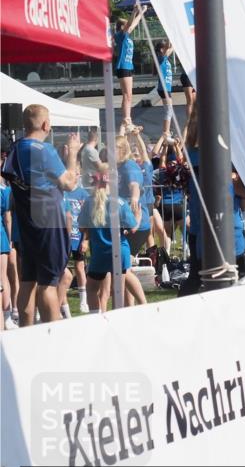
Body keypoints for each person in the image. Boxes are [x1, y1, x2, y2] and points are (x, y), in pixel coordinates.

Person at [1, 105, 81, 324]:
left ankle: (27, 331)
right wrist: (73, 153)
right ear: (46, 124)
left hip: (27, 225)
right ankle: (50, 334)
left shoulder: (15, 148)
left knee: (28, 281)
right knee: (48, 283)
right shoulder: (43, 150)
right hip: (49, 223)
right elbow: (69, 183)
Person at [79, 172, 145, 312]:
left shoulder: (89, 202)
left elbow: (81, 227)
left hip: (99, 252)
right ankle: (119, 318)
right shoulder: (120, 202)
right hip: (119, 251)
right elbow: (132, 228)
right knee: (118, 291)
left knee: (91, 288)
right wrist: (138, 217)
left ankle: (95, 317)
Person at [114, 3, 147, 127]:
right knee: (127, 95)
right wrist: (134, 11)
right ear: (122, 27)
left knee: (128, 95)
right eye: (126, 25)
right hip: (123, 66)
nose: (129, 26)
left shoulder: (126, 36)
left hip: (127, 67)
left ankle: (126, 120)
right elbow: (130, 24)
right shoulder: (120, 35)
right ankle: (127, 120)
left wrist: (142, 12)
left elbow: (133, 24)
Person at [63, 175, 90, 314]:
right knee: (62, 269)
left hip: (78, 237)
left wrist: (85, 240)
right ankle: (62, 301)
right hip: (64, 238)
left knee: (80, 267)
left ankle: (83, 301)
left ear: (79, 175)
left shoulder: (83, 194)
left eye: (75, 173)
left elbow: (88, 219)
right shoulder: (62, 191)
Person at [154, 39, 175, 139]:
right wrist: (169, 39)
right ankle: (166, 133)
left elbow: (171, 48)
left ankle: (168, 131)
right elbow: (168, 47)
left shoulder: (164, 58)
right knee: (169, 111)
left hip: (166, 88)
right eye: (165, 48)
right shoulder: (160, 58)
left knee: (169, 110)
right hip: (164, 88)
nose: (167, 49)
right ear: (162, 50)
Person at [0, 181, 12, 329]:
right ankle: (7, 316)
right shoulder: (3, 190)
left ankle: (7, 317)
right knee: (3, 277)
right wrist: (10, 240)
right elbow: (7, 218)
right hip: (2, 237)